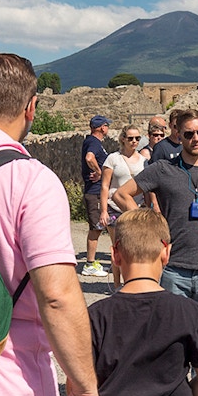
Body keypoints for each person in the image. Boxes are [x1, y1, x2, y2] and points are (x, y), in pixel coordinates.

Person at [0, 53, 101, 396]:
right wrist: (84, 386)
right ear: (31, 109)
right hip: (1, 395)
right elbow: (56, 296)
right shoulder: (30, 181)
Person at [115, 108, 198, 396]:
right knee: (168, 340)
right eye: (188, 134)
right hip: (173, 272)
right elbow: (121, 194)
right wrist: (149, 225)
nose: (195, 139)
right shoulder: (163, 170)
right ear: (177, 135)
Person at [88, 208, 198, 396]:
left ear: (115, 255)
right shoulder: (188, 311)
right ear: (166, 252)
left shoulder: (96, 315)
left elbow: (78, 384)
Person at [99, 124, 148, 286]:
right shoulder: (113, 159)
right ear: (123, 139)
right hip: (115, 208)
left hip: (136, 209)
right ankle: (116, 284)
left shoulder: (143, 161)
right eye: (130, 138)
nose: (134, 141)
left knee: (135, 248)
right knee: (118, 248)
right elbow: (105, 185)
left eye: (137, 138)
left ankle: (131, 282)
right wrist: (104, 210)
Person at [81, 114, 112, 277]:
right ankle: (89, 264)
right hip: (94, 192)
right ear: (102, 127)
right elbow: (89, 157)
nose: (108, 128)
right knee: (96, 228)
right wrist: (99, 172)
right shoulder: (93, 142)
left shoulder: (94, 142)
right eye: (107, 125)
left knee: (103, 227)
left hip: (97, 192)